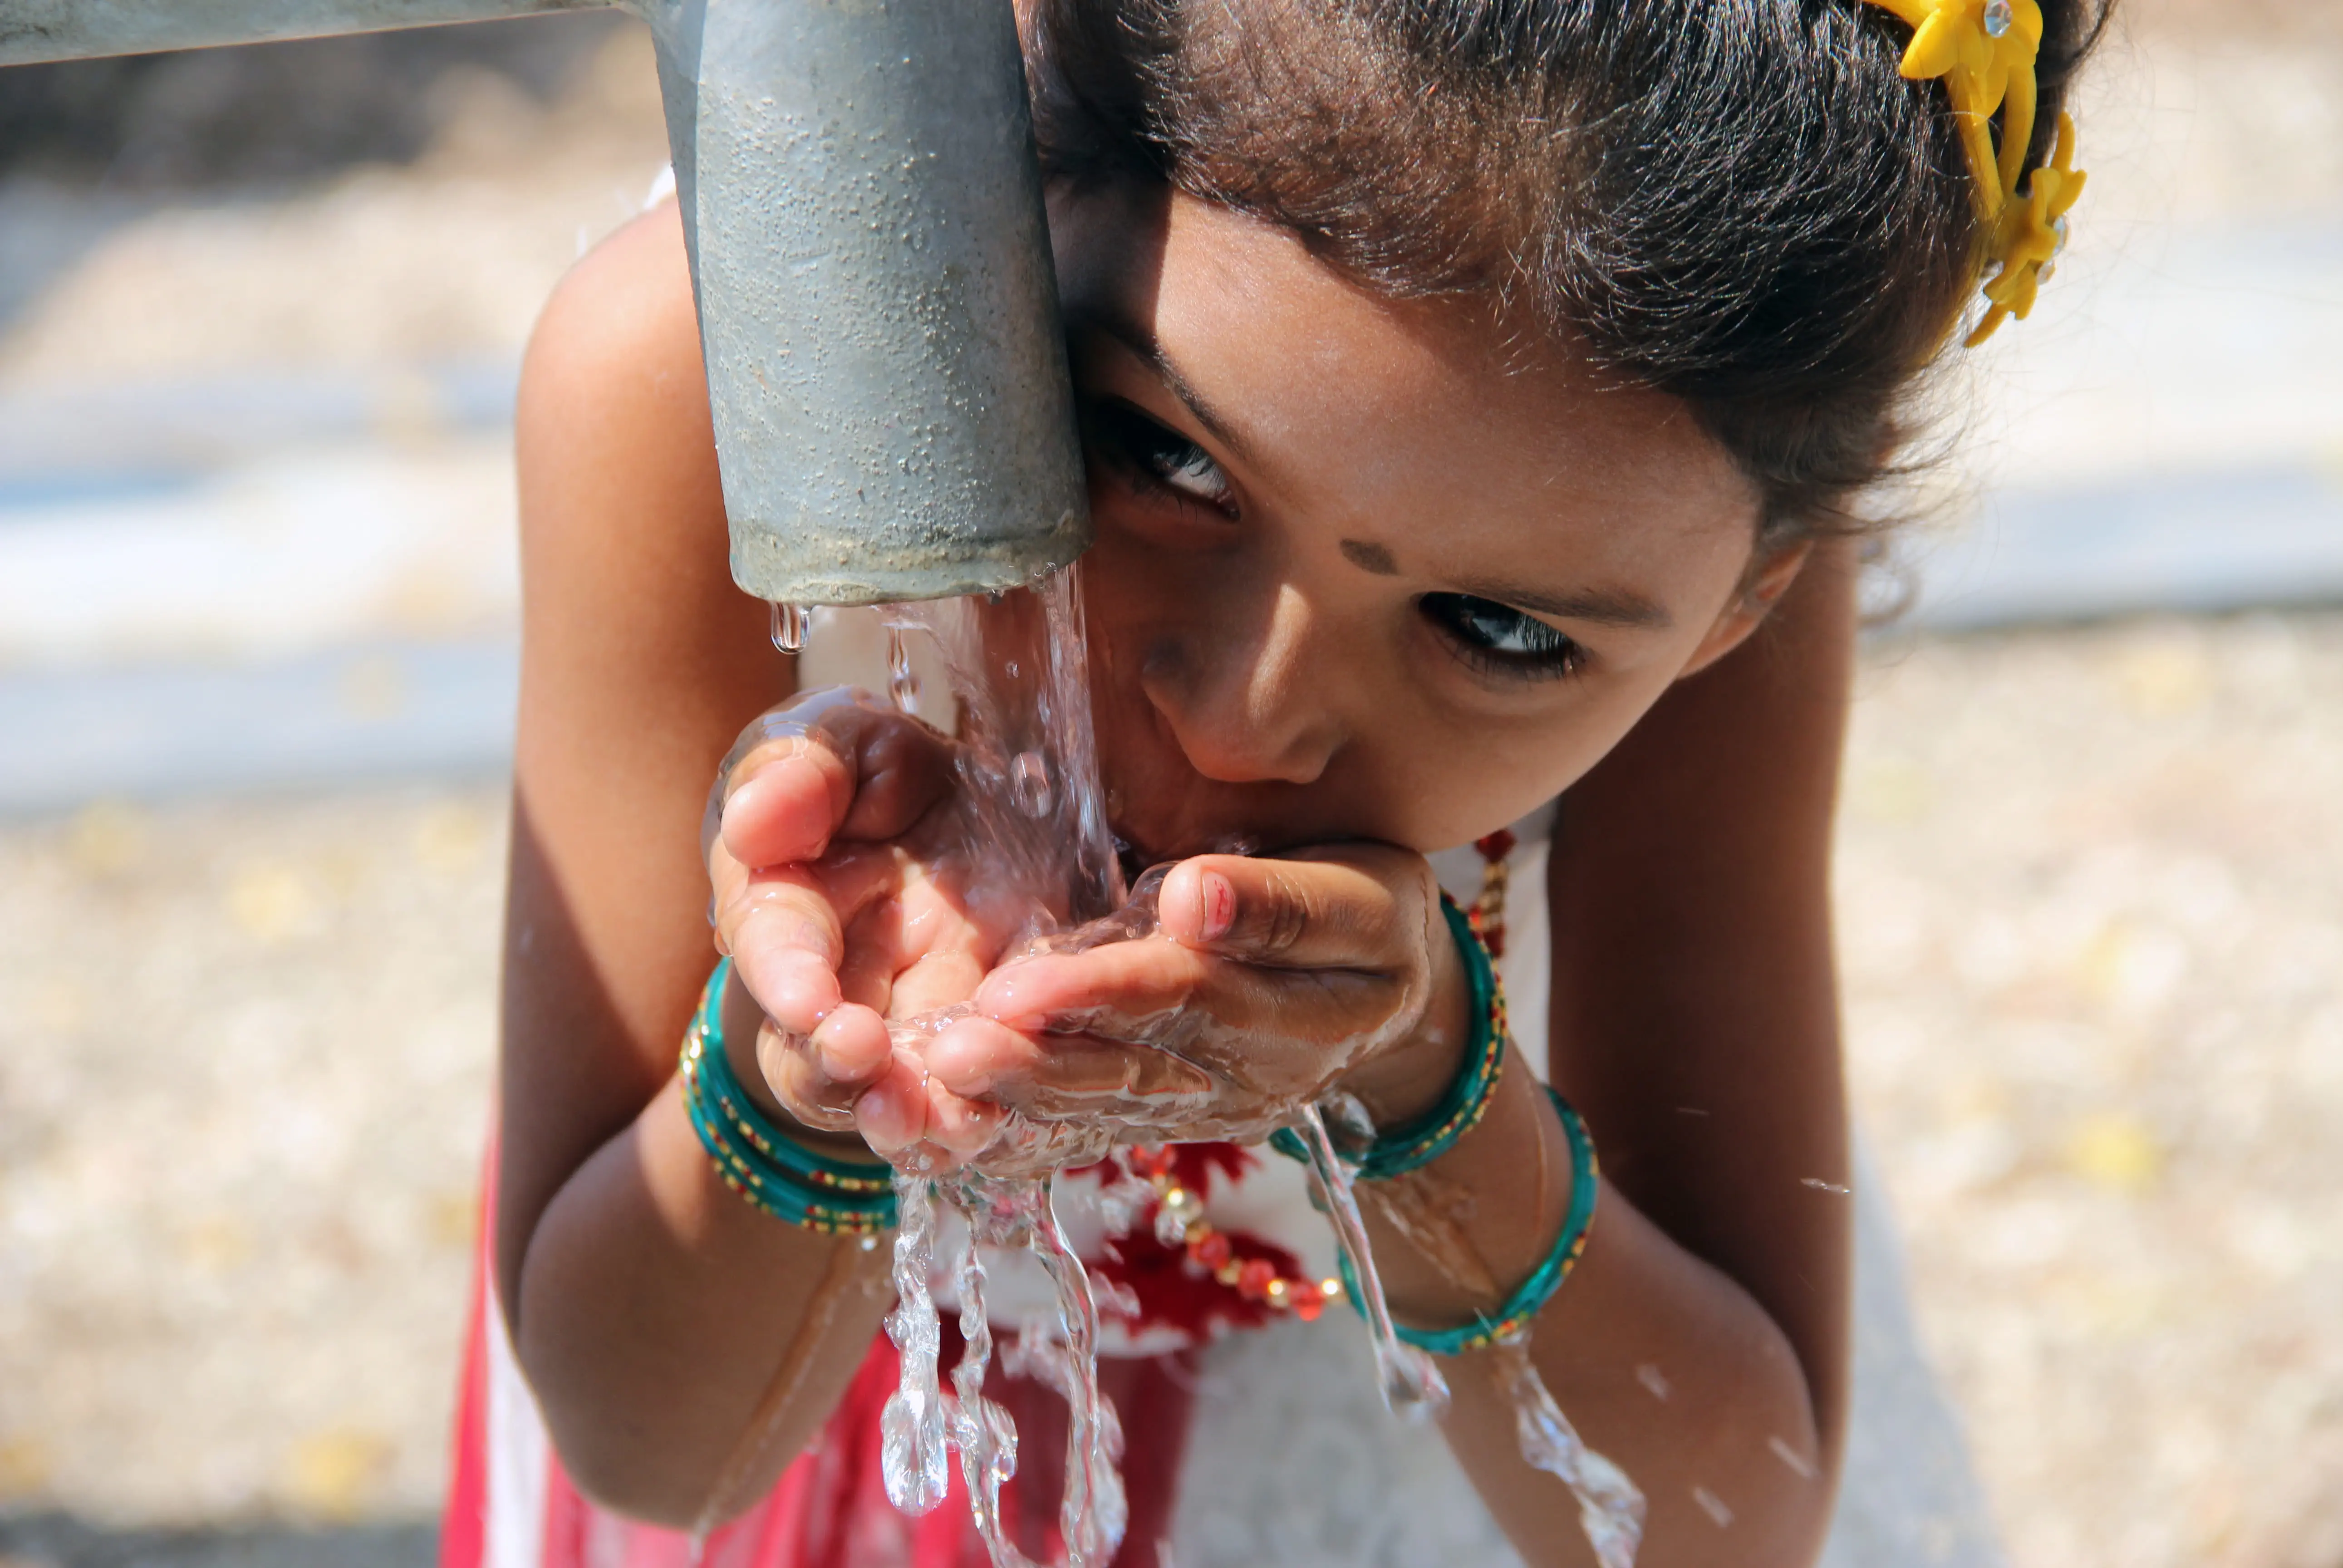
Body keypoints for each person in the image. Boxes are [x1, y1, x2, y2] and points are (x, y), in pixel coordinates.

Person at [450, 1, 2105, 1565]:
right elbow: (654, 1451)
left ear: (1733, 607)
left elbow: (1724, 1518)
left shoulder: (1683, 517)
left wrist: (1428, 1084)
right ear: (1033, 179)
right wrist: (808, 1073)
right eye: (1169, 458)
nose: (1247, 723)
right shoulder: (722, 363)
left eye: (1496, 634)